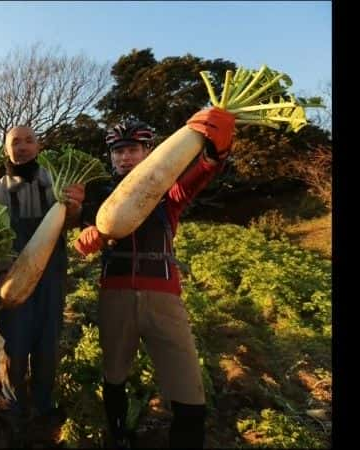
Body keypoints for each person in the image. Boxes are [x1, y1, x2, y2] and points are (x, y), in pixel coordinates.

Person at [73, 108, 235, 448]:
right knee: (114, 376)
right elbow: (81, 227)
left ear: (149, 152)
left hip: (163, 298)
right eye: (118, 151)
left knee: (189, 393)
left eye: (133, 149)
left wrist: (215, 151)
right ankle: (118, 435)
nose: (125, 157)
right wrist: (87, 235)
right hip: (114, 297)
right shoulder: (99, 196)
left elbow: (200, 174)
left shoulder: (168, 195)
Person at [0, 125, 85, 437]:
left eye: (29, 140)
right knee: (12, 343)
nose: (22, 147)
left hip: (50, 275)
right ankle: (14, 404)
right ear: (6, 149)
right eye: (15, 142)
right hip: (10, 275)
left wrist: (75, 207)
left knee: (47, 341)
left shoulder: (55, 181)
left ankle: (43, 404)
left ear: (38, 145)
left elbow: (71, 221)